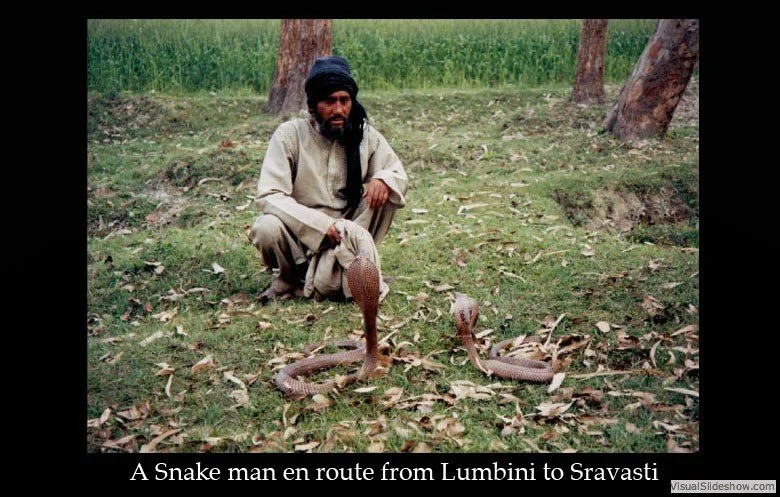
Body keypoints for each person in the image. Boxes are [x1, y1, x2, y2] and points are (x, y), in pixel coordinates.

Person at [251, 55, 408, 302]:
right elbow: (269, 195)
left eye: (344, 101)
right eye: (329, 101)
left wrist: (382, 179)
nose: (338, 110)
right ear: (312, 105)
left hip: (349, 232)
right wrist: (321, 226)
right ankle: (290, 280)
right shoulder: (289, 136)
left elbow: (397, 172)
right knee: (266, 227)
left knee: (388, 191)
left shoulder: (362, 134)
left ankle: (355, 269)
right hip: (299, 233)